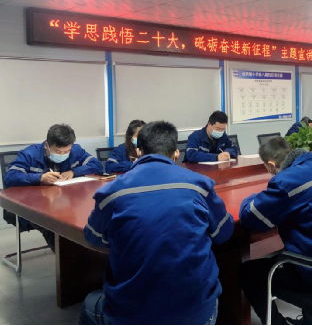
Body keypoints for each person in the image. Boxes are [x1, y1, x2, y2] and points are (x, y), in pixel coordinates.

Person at [80, 121, 233, 326]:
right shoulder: (200, 185)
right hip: (198, 313)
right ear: (176, 154)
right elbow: (223, 232)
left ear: (138, 151)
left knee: (89, 303)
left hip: (132, 314)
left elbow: (94, 238)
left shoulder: (111, 193)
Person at [239, 137, 312, 326]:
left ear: (271, 165)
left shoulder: (286, 182)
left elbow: (252, 218)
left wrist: (251, 198)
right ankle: (308, 319)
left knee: (248, 272)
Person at [4, 124, 103, 252]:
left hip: (66, 203)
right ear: (47, 145)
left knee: (86, 219)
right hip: (35, 206)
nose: (62, 154)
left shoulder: (76, 151)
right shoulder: (29, 154)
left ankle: (85, 255)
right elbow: (10, 177)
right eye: (57, 151)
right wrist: (39, 178)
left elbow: (97, 165)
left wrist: (74, 172)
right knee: (52, 225)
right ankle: (67, 259)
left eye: (66, 152)